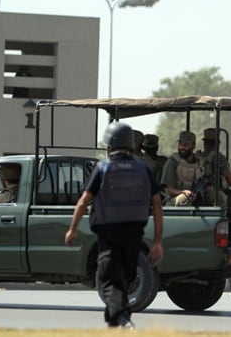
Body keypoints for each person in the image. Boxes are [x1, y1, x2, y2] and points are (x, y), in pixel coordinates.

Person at [65, 122, 163, 329]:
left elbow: (83, 202)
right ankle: (113, 322)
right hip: (135, 233)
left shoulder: (103, 167)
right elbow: (156, 204)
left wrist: (72, 229)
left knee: (107, 281)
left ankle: (123, 318)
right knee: (123, 280)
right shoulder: (143, 168)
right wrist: (157, 242)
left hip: (109, 234)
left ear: (109, 145)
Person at [161, 131, 227, 207]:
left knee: (219, 196)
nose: (182, 147)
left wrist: (208, 188)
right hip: (175, 200)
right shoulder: (173, 162)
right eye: (180, 144)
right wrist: (183, 192)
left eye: (186, 145)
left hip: (197, 195)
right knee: (184, 198)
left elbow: (208, 179)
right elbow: (170, 191)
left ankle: (220, 217)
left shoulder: (200, 162)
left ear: (193, 145)